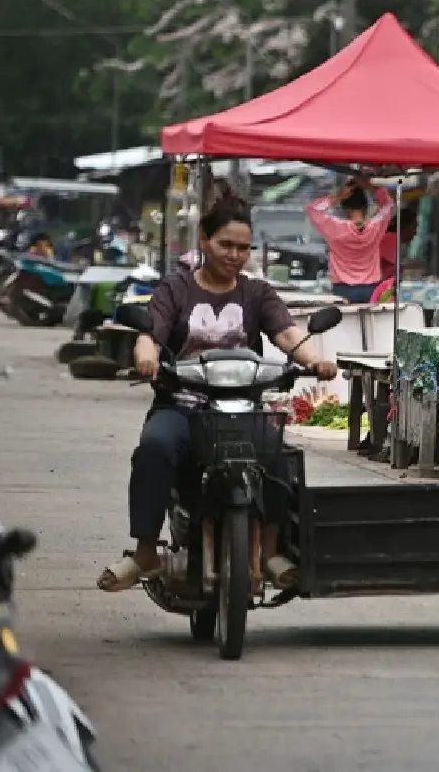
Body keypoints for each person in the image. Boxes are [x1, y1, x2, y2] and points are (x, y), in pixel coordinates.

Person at [97, 183, 338, 593]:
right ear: (204, 241)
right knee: (154, 448)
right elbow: (150, 333)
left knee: (278, 454)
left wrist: (314, 359)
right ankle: (145, 552)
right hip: (181, 407)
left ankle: (271, 551)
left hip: (243, 408)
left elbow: (287, 333)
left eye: (243, 248)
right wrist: (147, 356)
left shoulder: (257, 292)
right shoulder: (176, 288)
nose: (234, 255)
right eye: (226, 245)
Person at [307, 175, 394, 303]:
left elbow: (312, 209)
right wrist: (369, 186)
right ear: (365, 206)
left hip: (342, 290)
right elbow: (388, 204)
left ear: (344, 207)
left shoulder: (335, 228)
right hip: (371, 289)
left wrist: (337, 196)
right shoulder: (376, 226)